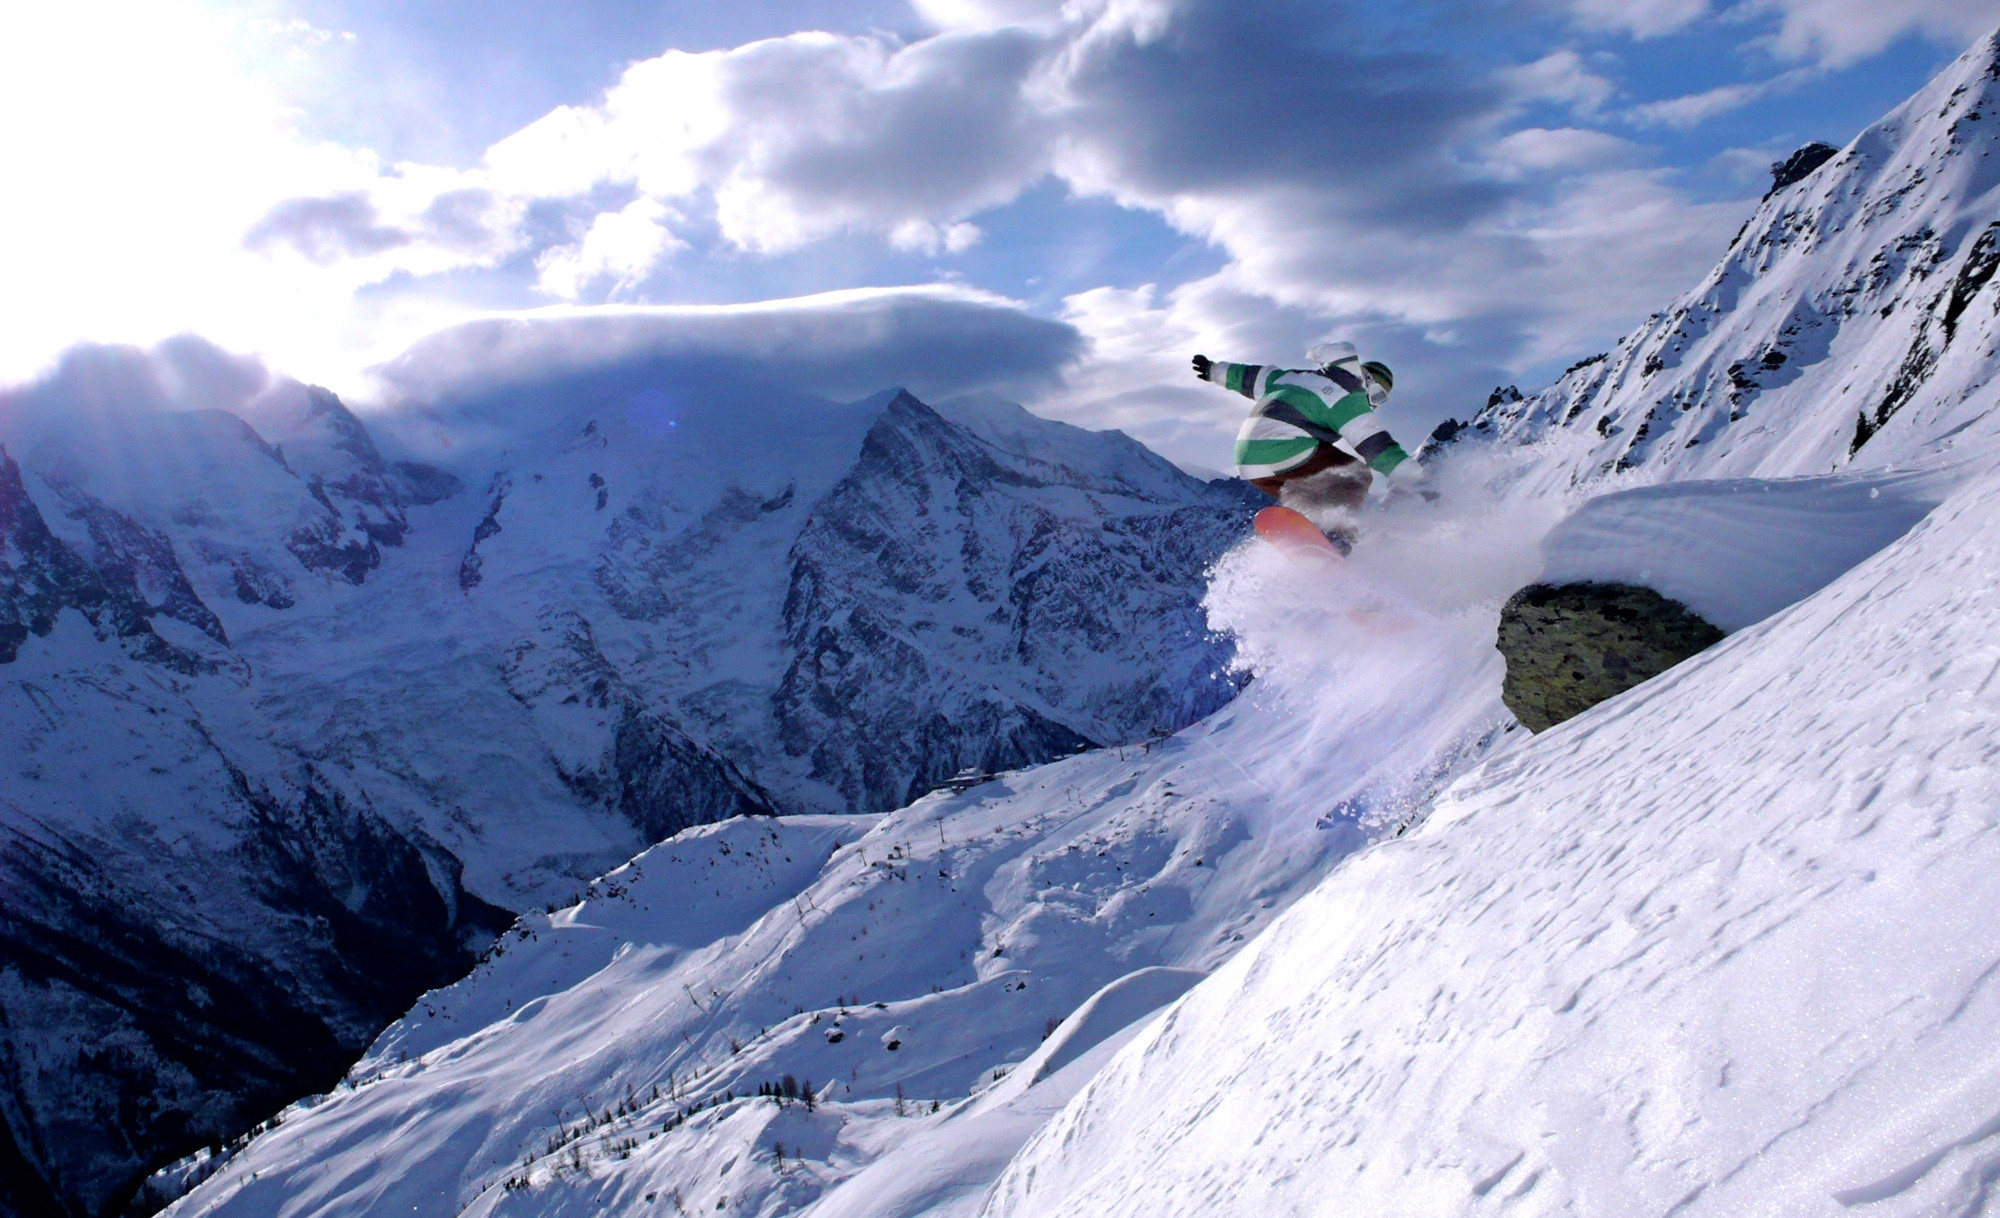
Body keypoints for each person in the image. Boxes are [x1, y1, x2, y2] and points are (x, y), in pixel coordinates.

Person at [1192, 339, 1424, 548]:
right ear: (1367, 381)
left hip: (1249, 463)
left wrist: (1214, 370)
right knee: (1354, 474)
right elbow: (1376, 446)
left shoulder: (1297, 377)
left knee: (1313, 491)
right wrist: (1416, 480)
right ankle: (1333, 536)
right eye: (1377, 396)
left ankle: (1311, 529)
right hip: (1282, 451)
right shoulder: (1347, 397)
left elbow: (1252, 377)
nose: (1374, 405)